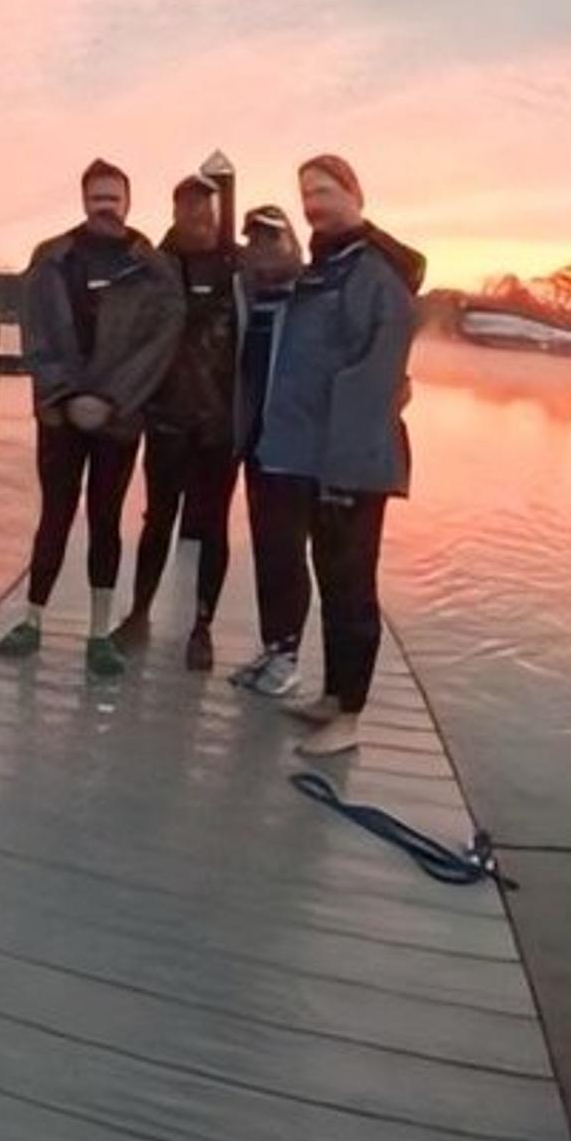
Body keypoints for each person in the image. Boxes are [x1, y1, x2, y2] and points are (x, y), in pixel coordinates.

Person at [252, 154, 425, 756]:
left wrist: (340, 470)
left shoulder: (376, 275)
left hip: (351, 462)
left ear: (356, 191)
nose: (315, 203)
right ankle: (330, 696)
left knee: (352, 589)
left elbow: (373, 379)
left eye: (325, 190)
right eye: (306, 194)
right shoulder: (326, 268)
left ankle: (349, 718)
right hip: (310, 456)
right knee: (330, 579)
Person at [0, 159, 185, 677]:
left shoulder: (153, 269)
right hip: (59, 417)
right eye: (97, 196)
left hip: (118, 419)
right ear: (84, 200)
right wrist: (64, 395)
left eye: (114, 197)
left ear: (128, 201)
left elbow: (160, 343)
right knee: (54, 516)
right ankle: (32, 619)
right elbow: (34, 333)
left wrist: (109, 399)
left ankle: (98, 633)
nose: (106, 204)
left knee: (107, 520)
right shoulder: (51, 258)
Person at [113, 173, 239, 671]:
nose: (197, 217)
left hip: (220, 426)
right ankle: (139, 614)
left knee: (213, 528)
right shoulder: (155, 266)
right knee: (156, 522)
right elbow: (125, 329)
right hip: (166, 421)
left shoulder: (240, 266)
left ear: (214, 210)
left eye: (205, 208)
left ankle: (201, 626)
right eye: (188, 207)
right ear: (174, 211)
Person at [226, 205, 311, 697]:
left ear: (292, 242)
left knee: (289, 552)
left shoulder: (311, 294)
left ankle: (290, 655)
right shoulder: (247, 294)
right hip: (254, 442)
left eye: (272, 239)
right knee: (265, 548)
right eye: (254, 240)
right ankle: (271, 647)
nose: (262, 248)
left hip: (296, 446)